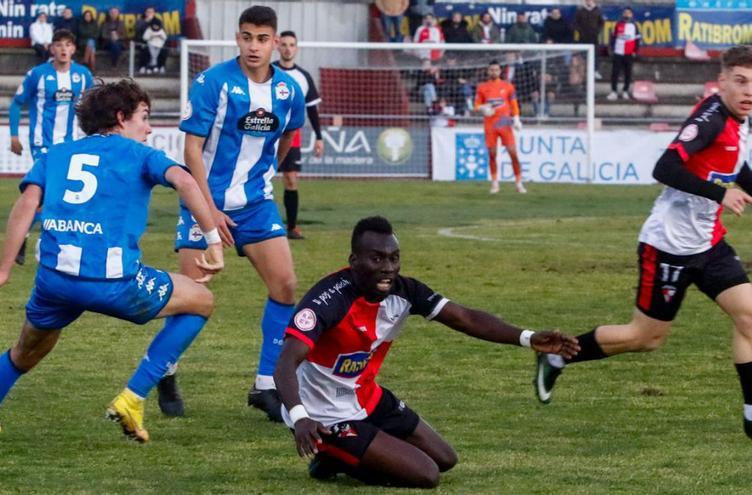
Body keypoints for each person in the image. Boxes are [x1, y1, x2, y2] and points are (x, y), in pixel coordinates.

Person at [533, 45, 752, 440]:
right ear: (722, 82)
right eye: (742, 82)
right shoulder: (711, 119)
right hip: (667, 247)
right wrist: (720, 195)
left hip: (708, 243)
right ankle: (558, 355)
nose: (750, 91)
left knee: (751, 316)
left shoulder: (738, 118)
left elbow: (736, 164)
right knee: (646, 338)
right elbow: (664, 168)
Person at [274, 216, 580, 487]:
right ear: (354, 261)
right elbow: (286, 362)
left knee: (446, 459)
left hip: (365, 395)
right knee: (426, 474)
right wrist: (301, 417)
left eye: (394, 258)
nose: (388, 269)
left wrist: (527, 338)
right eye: (377, 259)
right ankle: (333, 455)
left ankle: (349, 452)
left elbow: (465, 318)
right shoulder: (327, 301)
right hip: (322, 413)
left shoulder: (405, 291)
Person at [0, 79, 224, 442]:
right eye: (144, 117)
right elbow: (185, 180)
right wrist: (212, 239)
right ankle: (133, 398)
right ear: (121, 118)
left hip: (54, 281)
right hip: (113, 283)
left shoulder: (57, 154)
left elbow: (26, 204)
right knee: (201, 301)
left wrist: (4, 268)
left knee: (25, 352)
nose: (149, 128)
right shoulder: (139, 155)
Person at [166, 6, 306, 421]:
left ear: (275, 42)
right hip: (203, 204)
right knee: (192, 298)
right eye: (247, 37)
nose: (254, 46)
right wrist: (209, 211)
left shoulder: (287, 90)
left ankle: (265, 385)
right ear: (237, 39)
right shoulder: (212, 83)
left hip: (257, 205)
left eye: (262, 39)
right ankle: (166, 370)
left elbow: (288, 135)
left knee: (285, 286)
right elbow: (191, 150)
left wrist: (267, 175)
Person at [10, 29, 94, 164]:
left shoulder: (84, 75)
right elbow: (16, 103)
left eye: (67, 45)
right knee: (46, 182)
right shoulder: (37, 74)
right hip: (42, 142)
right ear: (52, 49)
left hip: (72, 141)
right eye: (59, 45)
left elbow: (95, 106)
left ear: (73, 49)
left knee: (63, 184)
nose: (63, 49)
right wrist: (14, 136)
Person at [274, 30, 325, 240]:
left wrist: (319, 137)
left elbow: (312, 109)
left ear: (296, 48)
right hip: (264, 132)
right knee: (255, 178)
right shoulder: (267, 71)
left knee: (291, 179)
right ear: (278, 46)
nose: (287, 48)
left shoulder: (303, 77)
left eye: (291, 44)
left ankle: (292, 227)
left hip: (291, 134)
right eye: (284, 44)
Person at [475, 60, 525, 194]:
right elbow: (476, 105)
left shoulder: (508, 86)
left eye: (496, 69)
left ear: (500, 71)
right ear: (487, 71)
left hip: (504, 123)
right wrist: (483, 108)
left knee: (513, 153)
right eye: (491, 69)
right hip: (490, 125)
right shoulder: (482, 87)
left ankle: (519, 183)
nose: (494, 72)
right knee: (492, 154)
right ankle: (495, 183)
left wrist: (516, 118)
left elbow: (514, 104)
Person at [608, 7, 639, 101]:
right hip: (618, 52)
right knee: (615, 73)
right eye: (625, 12)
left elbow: (637, 40)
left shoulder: (635, 26)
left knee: (628, 73)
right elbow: (613, 37)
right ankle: (614, 91)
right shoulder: (618, 24)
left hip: (629, 53)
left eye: (629, 13)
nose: (627, 14)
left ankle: (625, 91)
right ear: (623, 14)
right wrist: (612, 49)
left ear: (632, 15)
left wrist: (635, 51)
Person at [573, 0, 604, 79]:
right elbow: (576, 23)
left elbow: (601, 23)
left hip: (594, 37)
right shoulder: (580, 11)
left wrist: (597, 31)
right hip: (583, 37)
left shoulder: (598, 10)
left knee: (595, 54)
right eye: (587, 0)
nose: (588, 2)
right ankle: (583, 72)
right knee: (583, 55)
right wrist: (580, 31)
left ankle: (595, 71)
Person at [136, 7, 166, 74]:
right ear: (145, 13)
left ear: (154, 13)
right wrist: (146, 23)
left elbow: (162, 32)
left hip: (157, 42)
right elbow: (138, 32)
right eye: (148, 12)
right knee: (145, 49)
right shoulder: (140, 21)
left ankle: (161, 66)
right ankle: (143, 66)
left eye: (151, 12)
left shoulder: (158, 21)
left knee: (164, 50)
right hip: (144, 41)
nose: (149, 13)